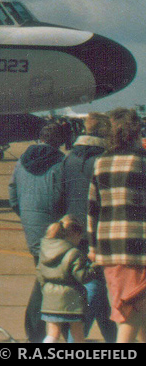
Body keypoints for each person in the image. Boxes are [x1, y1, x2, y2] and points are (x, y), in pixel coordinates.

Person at [87, 107, 146, 344]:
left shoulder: (101, 162)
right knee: (131, 313)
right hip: (139, 247)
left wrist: (93, 248)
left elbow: (92, 208)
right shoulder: (142, 161)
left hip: (109, 248)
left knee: (132, 309)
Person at [10, 120, 69, 342]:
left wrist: (26, 216)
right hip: (53, 230)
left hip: (31, 228)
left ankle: (40, 331)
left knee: (44, 276)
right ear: (60, 141)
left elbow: (13, 196)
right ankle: (36, 331)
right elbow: (60, 198)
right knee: (48, 281)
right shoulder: (61, 163)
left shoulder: (21, 161)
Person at [60, 112, 116, 341]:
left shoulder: (69, 158)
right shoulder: (104, 159)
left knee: (96, 288)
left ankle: (114, 337)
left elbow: (61, 195)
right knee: (94, 286)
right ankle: (76, 339)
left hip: (72, 231)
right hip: (97, 233)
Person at [37, 216, 94, 343]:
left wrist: (45, 291)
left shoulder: (45, 250)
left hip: (50, 299)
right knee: (77, 333)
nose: (80, 241)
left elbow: (40, 274)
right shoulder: (74, 252)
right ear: (74, 234)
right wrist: (95, 265)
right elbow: (82, 276)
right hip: (72, 300)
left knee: (53, 333)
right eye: (80, 237)